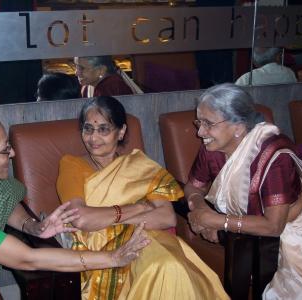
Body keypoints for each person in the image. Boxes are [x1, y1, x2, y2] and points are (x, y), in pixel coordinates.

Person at [0, 110, 150, 299]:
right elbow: (27, 259)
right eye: (5, 149)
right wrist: (112, 258)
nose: (13, 153)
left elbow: (5, 200)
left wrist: (32, 226)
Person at [56, 96, 228, 300]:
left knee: (172, 268)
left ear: (121, 132)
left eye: (104, 129)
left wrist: (104, 218)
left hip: (147, 240)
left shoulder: (141, 167)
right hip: (100, 250)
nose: (93, 138)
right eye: (88, 129)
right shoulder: (71, 165)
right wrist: (138, 208)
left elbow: (167, 217)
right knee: (162, 268)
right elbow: (81, 219)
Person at [185, 83, 302, 299]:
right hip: (254, 240)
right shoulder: (213, 148)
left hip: (296, 239)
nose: (200, 132)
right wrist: (199, 209)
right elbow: (192, 186)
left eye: (208, 123)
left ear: (238, 127)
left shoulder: (273, 156)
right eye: (199, 122)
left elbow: (273, 226)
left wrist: (218, 222)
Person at [74, 56, 142, 98]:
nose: (76, 73)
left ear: (101, 70)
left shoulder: (112, 87)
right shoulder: (86, 87)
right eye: (76, 67)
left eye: (81, 68)